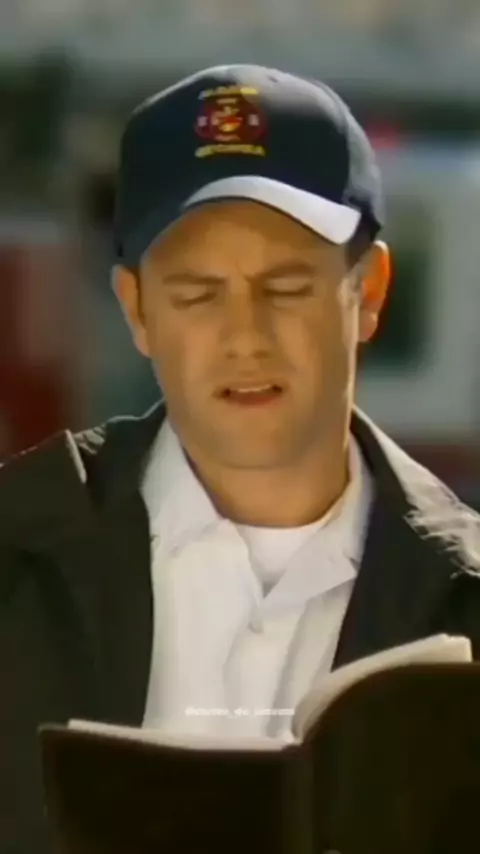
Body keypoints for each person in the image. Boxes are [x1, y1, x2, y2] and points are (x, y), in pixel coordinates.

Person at [1, 64, 480, 854]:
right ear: (138, 309)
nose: (244, 337)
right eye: (197, 295)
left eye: (285, 288)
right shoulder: (15, 564)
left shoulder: (464, 599)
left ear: (368, 292)